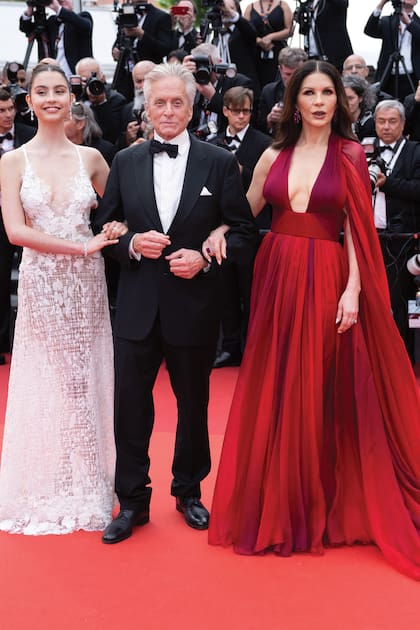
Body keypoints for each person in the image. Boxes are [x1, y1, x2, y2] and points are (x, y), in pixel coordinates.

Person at [207, 60, 420, 581]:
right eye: (311, 92)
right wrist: (215, 230)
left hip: (327, 274)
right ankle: (282, 499)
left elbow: (357, 232)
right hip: (277, 274)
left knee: (321, 384)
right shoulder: (272, 154)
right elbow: (245, 210)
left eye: (329, 93)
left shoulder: (350, 153)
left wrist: (353, 289)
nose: (321, 101)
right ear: (294, 100)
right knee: (279, 383)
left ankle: (317, 502)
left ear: (341, 103)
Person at [95, 62, 256, 545]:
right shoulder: (125, 162)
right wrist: (129, 246)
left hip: (194, 306)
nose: (167, 111)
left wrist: (206, 258)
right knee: (130, 409)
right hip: (138, 306)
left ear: (193, 106)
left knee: (193, 405)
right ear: (146, 106)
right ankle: (132, 501)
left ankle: (188, 491)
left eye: (177, 102)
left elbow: (244, 231)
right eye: (159, 102)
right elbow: (105, 229)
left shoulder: (219, 162)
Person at [0, 63, 121, 535]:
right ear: (28, 100)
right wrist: (80, 246)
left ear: (72, 98)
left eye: (59, 91)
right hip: (42, 281)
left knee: (83, 377)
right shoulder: (12, 162)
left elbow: (120, 211)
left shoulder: (91, 157)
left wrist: (112, 230)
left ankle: (89, 479)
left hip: (85, 285)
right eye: (41, 91)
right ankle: (46, 478)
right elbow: (16, 231)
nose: (51, 98)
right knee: (44, 375)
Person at [211, 86, 270, 368]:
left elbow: (267, 188)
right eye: (236, 111)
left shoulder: (265, 143)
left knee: (253, 292)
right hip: (220, 230)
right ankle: (230, 347)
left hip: (254, 229)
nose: (242, 117)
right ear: (225, 111)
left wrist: (243, 170)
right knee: (225, 293)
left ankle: (253, 347)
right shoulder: (212, 142)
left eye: (247, 111)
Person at [371, 99, 420, 362]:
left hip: (403, 239)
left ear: (402, 124)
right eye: (381, 121)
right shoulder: (363, 149)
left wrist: (388, 184)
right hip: (370, 236)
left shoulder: (415, 151)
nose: (386, 127)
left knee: (399, 299)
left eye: (392, 121)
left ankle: (399, 357)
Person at [0, 88, 36, 368]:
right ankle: (2, 342)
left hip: (31, 217)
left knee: (34, 277)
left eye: (10, 108)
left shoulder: (29, 133)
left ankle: (32, 338)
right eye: (1, 110)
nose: (8, 115)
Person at [19, 0, 93, 77]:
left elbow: (85, 25)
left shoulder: (84, 16)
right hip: (56, 77)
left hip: (78, 77)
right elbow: (27, 29)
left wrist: (58, 8)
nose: (63, 1)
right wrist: (30, 9)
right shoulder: (53, 22)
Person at [364, 0, 420, 101]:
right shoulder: (388, 21)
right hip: (389, 77)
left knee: (412, 111)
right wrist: (381, 4)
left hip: (413, 77)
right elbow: (369, 30)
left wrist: (409, 23)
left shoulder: (418, 23)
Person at [75, 57, 127, 145]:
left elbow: (112, 136)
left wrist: (101, 103)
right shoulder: (75, 97)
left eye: (93, 79)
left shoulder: (115, 100)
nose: (90, 84)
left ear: (102, 78)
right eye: (85, 81)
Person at [257, 46, 307, 134]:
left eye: (296, 74)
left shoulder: (315, 92)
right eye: (288, 74)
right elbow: (259, 128)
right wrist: (270, 119)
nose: (292, 79)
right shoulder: (269, 92)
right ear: (280, 69)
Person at [244, 0, 293, 89]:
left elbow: (289, 30)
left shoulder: (283, 5)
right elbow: (244, 29)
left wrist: (271, 37)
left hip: (277, 50)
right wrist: (259, 41)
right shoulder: (250, 7)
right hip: (256, 53)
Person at [299, 0, 352, 71]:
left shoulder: (329, 3)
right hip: (312, 54)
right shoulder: (309, 3)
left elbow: (342, 3)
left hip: (333, 55)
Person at [342, 75, 376, 142]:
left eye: (350, 98)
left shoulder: (370, 124)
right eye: (342, 98)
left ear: (360, 98)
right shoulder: (334, 121)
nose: (346, 102)